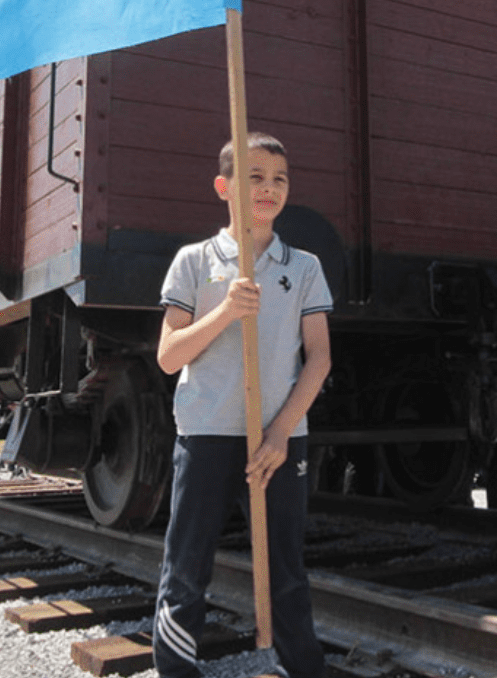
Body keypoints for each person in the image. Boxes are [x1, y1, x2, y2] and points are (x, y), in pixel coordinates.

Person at [151, 132, 331, 678]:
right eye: (255, 177)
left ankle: (301, 668)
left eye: (279, 179)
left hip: (278, 440)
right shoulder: (195, 261)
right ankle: (177, 668)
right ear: (223, 187)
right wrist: (227, 310)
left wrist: (280, 432)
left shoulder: (303, 267)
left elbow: (319, 359)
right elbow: (167, 355)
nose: (269, 188)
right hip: (207, 432)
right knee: (187, 565)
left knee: (286, 570)